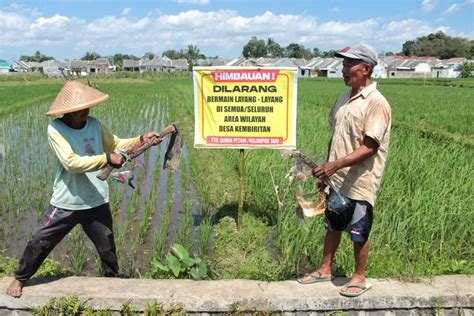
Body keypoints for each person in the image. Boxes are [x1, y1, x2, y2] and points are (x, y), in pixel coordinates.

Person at [6, 80, 160, 298]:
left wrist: (141, 139)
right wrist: (106, 158)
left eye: (87, 107)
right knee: (41, 240)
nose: (85, 112)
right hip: (66, 201)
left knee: (107, 245)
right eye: (80, 109)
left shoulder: (94, 125)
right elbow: (71, 162)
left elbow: (115, 144)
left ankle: (112, 278)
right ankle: (21, 278)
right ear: (67, 111)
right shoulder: (56, 129)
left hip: (95, 199)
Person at [297, 43, 391, 297]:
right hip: (337, 177)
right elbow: (336, 137)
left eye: (349, 64)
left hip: (361, 179)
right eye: (343, 64)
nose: (343, 69)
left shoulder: (376, 102)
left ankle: (359, 277)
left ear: (366, 69)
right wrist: (326, 170)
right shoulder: (343, 98)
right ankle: (325, 268)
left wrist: (335, 165)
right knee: (333, 224)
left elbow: (370, 146)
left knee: (359, 229)